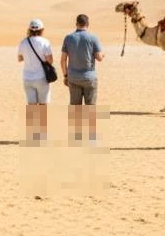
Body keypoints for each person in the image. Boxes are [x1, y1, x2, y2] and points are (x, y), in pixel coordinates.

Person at [61, 14, 104, 143]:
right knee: (90, 107)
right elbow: (99, 57)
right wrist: (103, 53)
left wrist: (65, 75)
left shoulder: (68, 38)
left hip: (73, 77)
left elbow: (63, 60)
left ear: (76, 23)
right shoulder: (93, 38)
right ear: (88, 24)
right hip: (89, 77)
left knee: (75, 107)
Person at [17, 18, 54, 144]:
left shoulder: (23, 42)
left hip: (27, 77)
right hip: (41, 77)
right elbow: (50, 60)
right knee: (43, 106)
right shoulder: (45, 42)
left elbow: (19, 58)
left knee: (32, 106)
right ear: (41, 30)